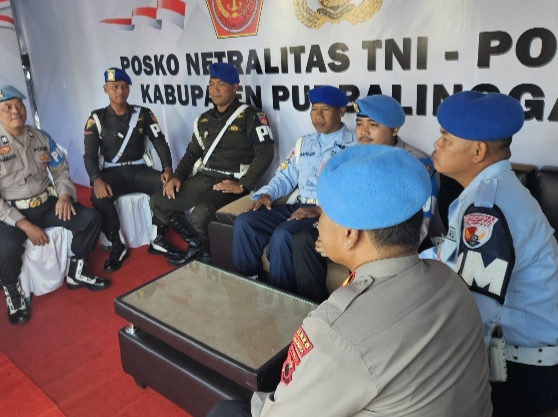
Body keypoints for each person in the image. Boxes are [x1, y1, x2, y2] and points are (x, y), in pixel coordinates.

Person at [207, 144, 492, 417]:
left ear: (350, 234)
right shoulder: (449, 279)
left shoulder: (336, 332)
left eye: (323, 213)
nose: (317, 222)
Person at [422, 91, 558, 416]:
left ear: (478, 151)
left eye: (445, 137)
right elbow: (451, 254)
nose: (436, 144)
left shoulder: (488, 210)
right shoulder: (490, 193)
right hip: (518, 359)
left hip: (521, 374)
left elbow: (473, 316)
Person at [0, 85, 109, 325]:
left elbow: (60, 170)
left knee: (91, 218)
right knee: (6, 250)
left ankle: (77, 271)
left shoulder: (41, 137)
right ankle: (12, 292)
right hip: (12, 214)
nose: (15, 111)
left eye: (19, 105)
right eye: (7, 107)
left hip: (46, 205)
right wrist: (25, 225)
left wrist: (64, 195)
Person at [292, 94, 441, 303]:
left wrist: (345, 246)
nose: (363, 132)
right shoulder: (353, 157)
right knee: (303, 240)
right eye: (359, 123)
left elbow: (418, 231)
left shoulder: (417, 164)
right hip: (353, 234)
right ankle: (313, 308)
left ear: (395, 130)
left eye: (373, 125)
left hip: (394, 243)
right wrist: (332, 237)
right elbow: (338, 207)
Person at [232, 86, 355, 290]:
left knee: (284, 235)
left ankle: (283, 295)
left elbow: (353, 193)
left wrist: (321, 210)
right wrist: (268, 194)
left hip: (326, 213)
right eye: (314, 109)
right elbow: (285, 177)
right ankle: (249, 283)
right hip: (298, 205)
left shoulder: (355, 146)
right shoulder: (303, 143)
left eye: (325, 109)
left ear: (341, 111)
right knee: (245, 222)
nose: (318, 116)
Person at [150, 63, 274, 265]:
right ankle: (196, 245)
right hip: (204, 176)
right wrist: (177, 176)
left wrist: (243, 184)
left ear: (235, 86)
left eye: (221, 84)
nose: (215, 89)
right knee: (158, 201)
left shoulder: (251, 115)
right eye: (211, 84)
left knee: (201, 213)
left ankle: (209, 257)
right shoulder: (204, 119)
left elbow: (266, 152)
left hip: (231, 179)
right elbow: (192, 154)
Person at [84, 67, 180, 272]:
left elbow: (160, 143)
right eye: (115, 87)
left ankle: (158, 237)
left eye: (124, 86)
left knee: (166, 186)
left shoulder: (143, 114)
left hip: (139, 170)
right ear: (105, 89)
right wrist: (96, 179)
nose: (120, 91)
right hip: (112, 173)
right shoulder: (97, 118)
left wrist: (167, 169)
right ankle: (117, 245)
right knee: (98, 196)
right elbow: (89, 155)